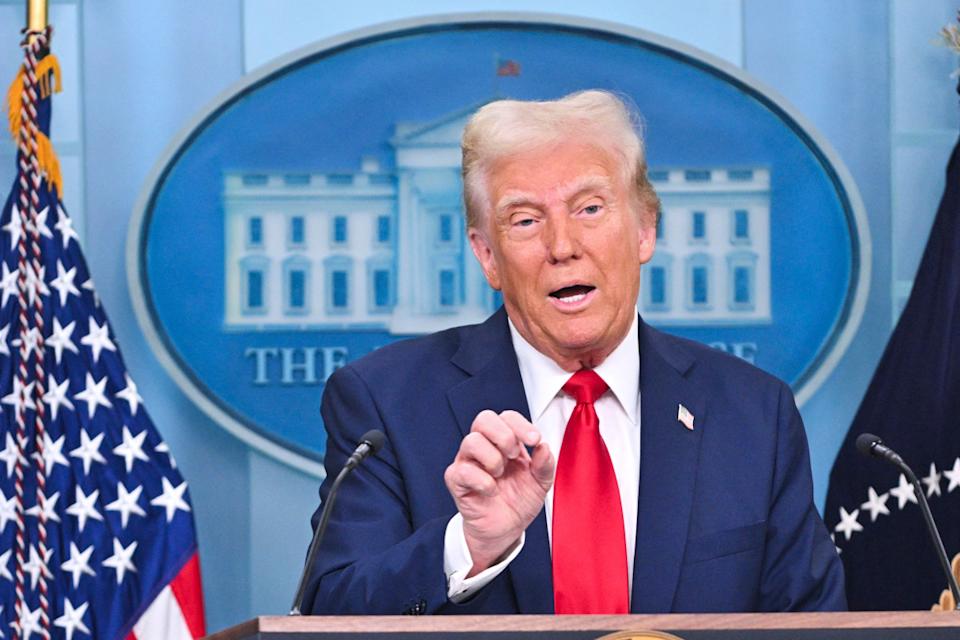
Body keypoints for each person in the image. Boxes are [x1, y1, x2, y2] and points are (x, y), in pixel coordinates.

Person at [302, 90, 846, 615]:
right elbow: (329, 614)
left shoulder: (753, 414)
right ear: (487, 256)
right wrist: (468, 546)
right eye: (526, 220)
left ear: (644, 230)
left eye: (590, 208)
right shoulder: (385, 403)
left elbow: (814, 624)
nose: (563, 246)